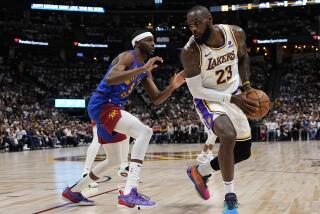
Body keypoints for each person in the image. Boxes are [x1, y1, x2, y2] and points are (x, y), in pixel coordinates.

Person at [61, 29, 185, 208]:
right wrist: (142, 69)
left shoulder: (145, 70)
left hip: (110, 108)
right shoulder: (127, 56)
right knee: (145, 131)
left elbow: (156, 98)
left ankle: (74, 191)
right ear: (137, 43)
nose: (153, 43)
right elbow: (111, 78)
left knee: (115, 160)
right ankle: (129, 192)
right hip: (103, 104)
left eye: (154, 41)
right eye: (149, 40)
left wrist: (172, 86)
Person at [180, 5, 259, 214]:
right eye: (190, 26)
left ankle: (200, 171)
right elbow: (196, 90)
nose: (193, 29)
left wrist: (247, 87)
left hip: (234, 94)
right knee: (228, 134)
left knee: (243, 153)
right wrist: (232, 98)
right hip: (208, 99)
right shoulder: (190, 51)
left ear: (210, 19)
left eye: (197, 23)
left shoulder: (236, 33)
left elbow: (243, 57)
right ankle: (230, 197)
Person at [81, 122, 130, 189]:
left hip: (114, 112)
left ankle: (124, 165)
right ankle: (86, 173)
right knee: (97, 139)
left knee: (126, 133)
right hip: (102, 113)